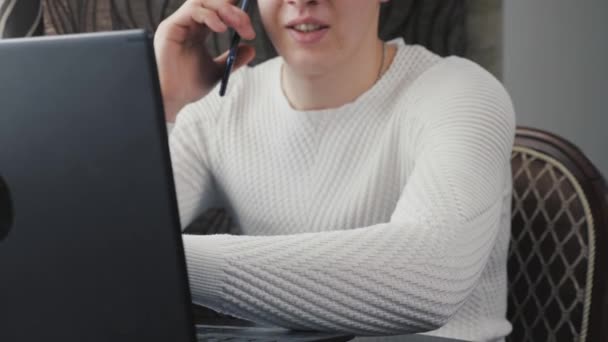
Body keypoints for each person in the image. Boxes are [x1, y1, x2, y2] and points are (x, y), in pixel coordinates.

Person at [153, 0, 516, 341]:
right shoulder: (218, 109)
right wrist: (164, 104)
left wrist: (156, 256)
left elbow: (431, 276)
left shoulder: (462, 92)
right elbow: (102, 239)